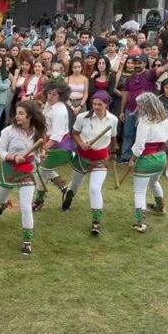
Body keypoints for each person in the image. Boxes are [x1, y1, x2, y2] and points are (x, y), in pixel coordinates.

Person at [0, 101, 47, 255]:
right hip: (9, 169)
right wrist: (14, 156)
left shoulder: (38, 131)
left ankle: (27, 242)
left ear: (29, 116)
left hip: (27, 171)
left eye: (21, 113)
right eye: (17, 113)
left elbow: (37, 152)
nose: (17, 116)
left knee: (25, 206)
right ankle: (3, 205)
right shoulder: (8, 131)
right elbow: (0, 152)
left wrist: (40, 156)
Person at [64, 91, 119, 234]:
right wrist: (82, 144)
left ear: (106, 105)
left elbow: (113, 138)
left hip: (101, 159)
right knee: (75, 185)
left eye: (100, 104)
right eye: (94, 104)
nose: (96, 107)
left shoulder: (113, 119)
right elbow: (74, 134)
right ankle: (69, 195)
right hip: (82, 157)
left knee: (95, 189)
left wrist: (113, 153)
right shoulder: (83, 117)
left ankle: (96, 222)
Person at [129, 92, 168, 232]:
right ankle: (160, 207)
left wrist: (132, 160)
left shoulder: (144, 122)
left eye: (140, 105)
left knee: (139, 191)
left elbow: (139, 146)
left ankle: (141, 222)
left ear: (146, 106)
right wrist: (160, 147)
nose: (138, 107)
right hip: (161, 158)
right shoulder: (165, 120)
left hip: (146, 160)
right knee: (154, 182)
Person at [33, 81, 75, 212]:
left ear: (61, 96)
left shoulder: (59, 111)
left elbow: (56, 136)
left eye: (54, 94)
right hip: (51, 143)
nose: (50, 97)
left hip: (62, 147)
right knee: (43, 170)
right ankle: (64, 188)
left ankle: (38, 201)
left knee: (41, 171)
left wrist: (44, 148)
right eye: (49, 93)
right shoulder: (49, 105)